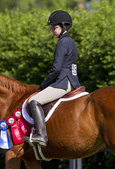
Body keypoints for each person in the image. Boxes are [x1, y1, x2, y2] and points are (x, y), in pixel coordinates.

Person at [26, 10, 81, 147]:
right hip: (72, 80)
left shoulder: (62, 43)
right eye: (51, 28)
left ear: (64, 27)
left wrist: (44, 84)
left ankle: (41, 135)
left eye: (54, 27)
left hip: (64, 82)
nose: (52, 30)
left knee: (34, 100)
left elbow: (56, 69)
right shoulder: (70, 41)